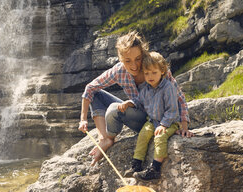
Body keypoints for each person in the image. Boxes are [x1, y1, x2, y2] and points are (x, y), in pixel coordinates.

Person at [78, 31, 193, 166]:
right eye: (128, 61)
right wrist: (83, 119)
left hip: (155, 122)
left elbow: (179, 97)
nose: (134, 65)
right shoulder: (119, 71)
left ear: (143, 54)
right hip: (136, 112)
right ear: (121, 59)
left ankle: (109, 138)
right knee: (97, 94)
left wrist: (184, 125)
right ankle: (105, 139)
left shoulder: (154, 67)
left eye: (138, 59)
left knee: (114, 109)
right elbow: (90, 88)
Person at [118, 51, 180, 181]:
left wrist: (164, 124)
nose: (150, 76)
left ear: (162, 71)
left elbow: (172, 110)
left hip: (169, 122)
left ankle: (155, 169)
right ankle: (136, 164)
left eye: (154, 72)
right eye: (146, 73)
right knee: (144, 134)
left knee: (160, 137)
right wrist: (130, 103)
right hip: (152, 121)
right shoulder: (145, 88)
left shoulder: (168, 87)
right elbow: (139, 101)